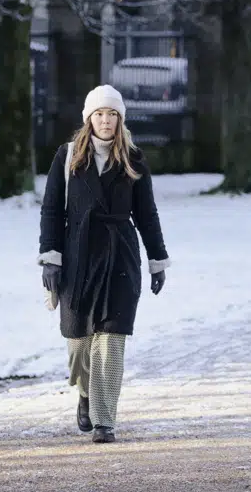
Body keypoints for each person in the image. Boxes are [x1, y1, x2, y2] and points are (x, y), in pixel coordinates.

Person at [39, 85, 170, 444]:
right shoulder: (67, 157)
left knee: (110, 341)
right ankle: (84, 393)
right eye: (100, 114)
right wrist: (50, 258)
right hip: (78, 257)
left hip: (119, 257)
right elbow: (52, 209)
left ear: (120, 118)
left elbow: (147, 213)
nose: (106, 120)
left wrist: (157, 259)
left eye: (112, 114)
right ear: (89, 119)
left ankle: (105, 419)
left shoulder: (133, 158)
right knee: (79, 344)